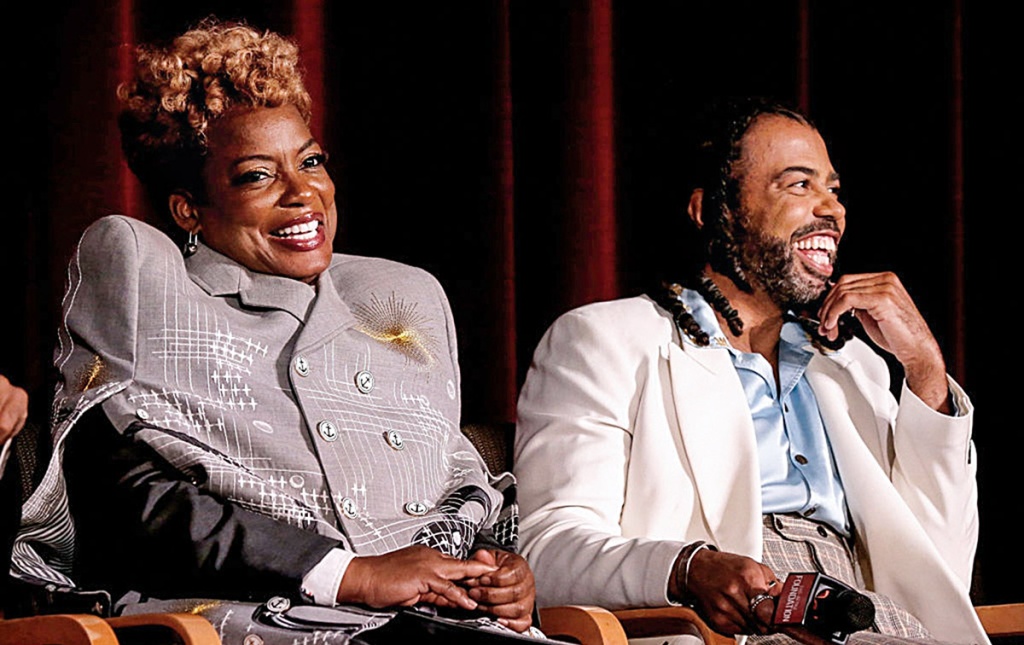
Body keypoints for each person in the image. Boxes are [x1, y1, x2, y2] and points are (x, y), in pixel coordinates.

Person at [8, 18, 537, 642]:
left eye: (311, 161)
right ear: (189, 209)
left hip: (438, 623)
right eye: (258, 175)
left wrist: (500, 572)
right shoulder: (144, 276)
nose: (303, 192)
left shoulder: (402, 298)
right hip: (255, 619)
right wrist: (347, 574)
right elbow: (128, 501)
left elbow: (449, 484)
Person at [513, 97, 986, 644]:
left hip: (874, 618)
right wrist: (688, 569)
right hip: (727, 623)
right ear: (712, 209)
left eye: (833, 189)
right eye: (799, 185)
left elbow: (944, 571)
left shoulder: (852, 367)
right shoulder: (606, 339)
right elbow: (549, 552)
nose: (832, 210)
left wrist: (925, 370)